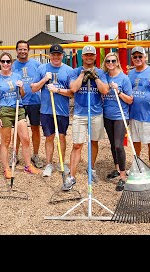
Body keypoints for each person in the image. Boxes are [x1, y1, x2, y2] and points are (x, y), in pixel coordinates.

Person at [63, 44, 110, 191]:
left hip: (96, 113)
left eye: (91, 55)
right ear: (82, 56)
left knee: (93, 142)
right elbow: (74, 88)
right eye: (86, 55)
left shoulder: (101, 73)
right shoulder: (75, 71)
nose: (89, 57)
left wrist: (95, 77)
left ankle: (91, 168)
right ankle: (72, 176)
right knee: (77, 144)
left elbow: (105, 90)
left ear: (95, 57)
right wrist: (83, 75)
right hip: (80, 113)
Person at [0, 52, 41, 179]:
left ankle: (28, 165)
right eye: (3, 61)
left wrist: (22, 87)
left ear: (11, 63)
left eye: (8, 61)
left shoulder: (17, 76)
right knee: (6, 141)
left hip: (19, 108)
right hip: (5, 111)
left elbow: (22, 94)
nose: (6, 64)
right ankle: (6, 168)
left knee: (25, 138)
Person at [30, 44, 74, 177]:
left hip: (62, 111)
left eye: (58, 54)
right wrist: (44, 79)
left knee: (61, 136)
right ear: (50, 56)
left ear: (62, 55)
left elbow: (72, 92)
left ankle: (61, 162)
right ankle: (49, 164)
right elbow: (33, 88)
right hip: (46, 110)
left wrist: (57, 90)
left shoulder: (69, 70)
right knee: (49, 137)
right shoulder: (42, 69)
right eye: (53, 54)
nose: (56, 57)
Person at [127, 46, 150, 166]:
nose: (138, 59)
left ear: (145, 57)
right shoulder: (130, 74)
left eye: (140, 56)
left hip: (149, 114)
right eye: (135, 57)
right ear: (132, 58)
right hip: (134, 114)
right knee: (136, 141)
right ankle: (137, 165)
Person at [102, 51, 133, 191]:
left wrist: (119, 92)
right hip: (107, 115)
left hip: (120, 115)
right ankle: (116, 168)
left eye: (113, 61)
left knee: (119, 145)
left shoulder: (124, 78)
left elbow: (130, 100)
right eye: (108, 61)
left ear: (117, 62)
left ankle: (122, 176)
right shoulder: (104, 77)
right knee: (112, 144)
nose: (110, 64)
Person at [13, 40, 43, 169]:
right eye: (20, 49)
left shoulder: (37, 64)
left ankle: (35, 155)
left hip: (35, 101)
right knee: (18, 131)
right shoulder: (12, 65)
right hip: (19, 102)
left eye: (25, 49)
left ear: (28, 50)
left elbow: (43, 80)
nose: (22, 51)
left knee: (35, 128)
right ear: (16, 51)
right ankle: (15, 155)